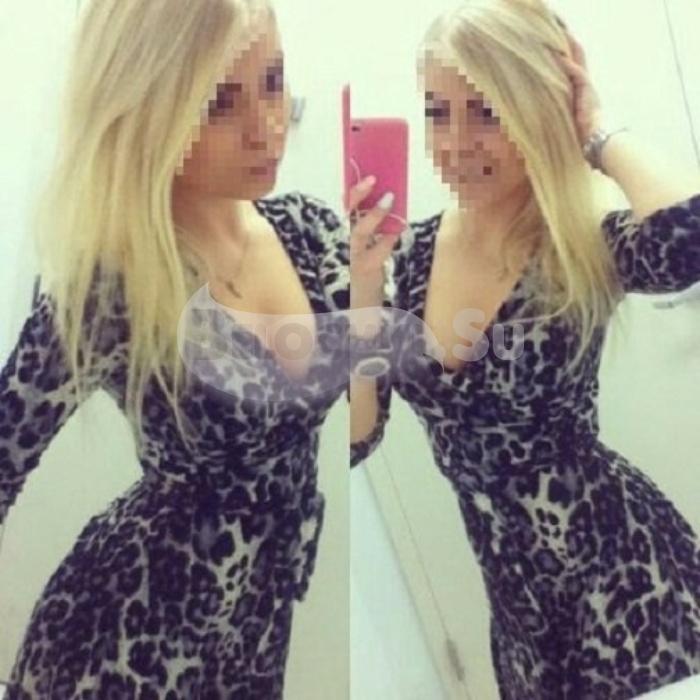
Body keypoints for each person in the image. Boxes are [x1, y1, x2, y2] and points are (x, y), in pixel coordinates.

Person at [349, 1, 700, 698]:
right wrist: (362, 287)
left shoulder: (576, 242)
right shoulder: (408, 257)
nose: (455, 142)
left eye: (485, 111)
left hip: (625, 582)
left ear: (533, 111)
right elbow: (356, 437)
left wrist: (594, 130)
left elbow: (688, 236)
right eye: (437, 113)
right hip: (517, 613)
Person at [0, 1, 347, 697]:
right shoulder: (115, 285)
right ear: (150, 112)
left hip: (256, 633)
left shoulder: (312, 233)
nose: (266, 126)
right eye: (219, 103)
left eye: (273, 81)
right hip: (124, 648)